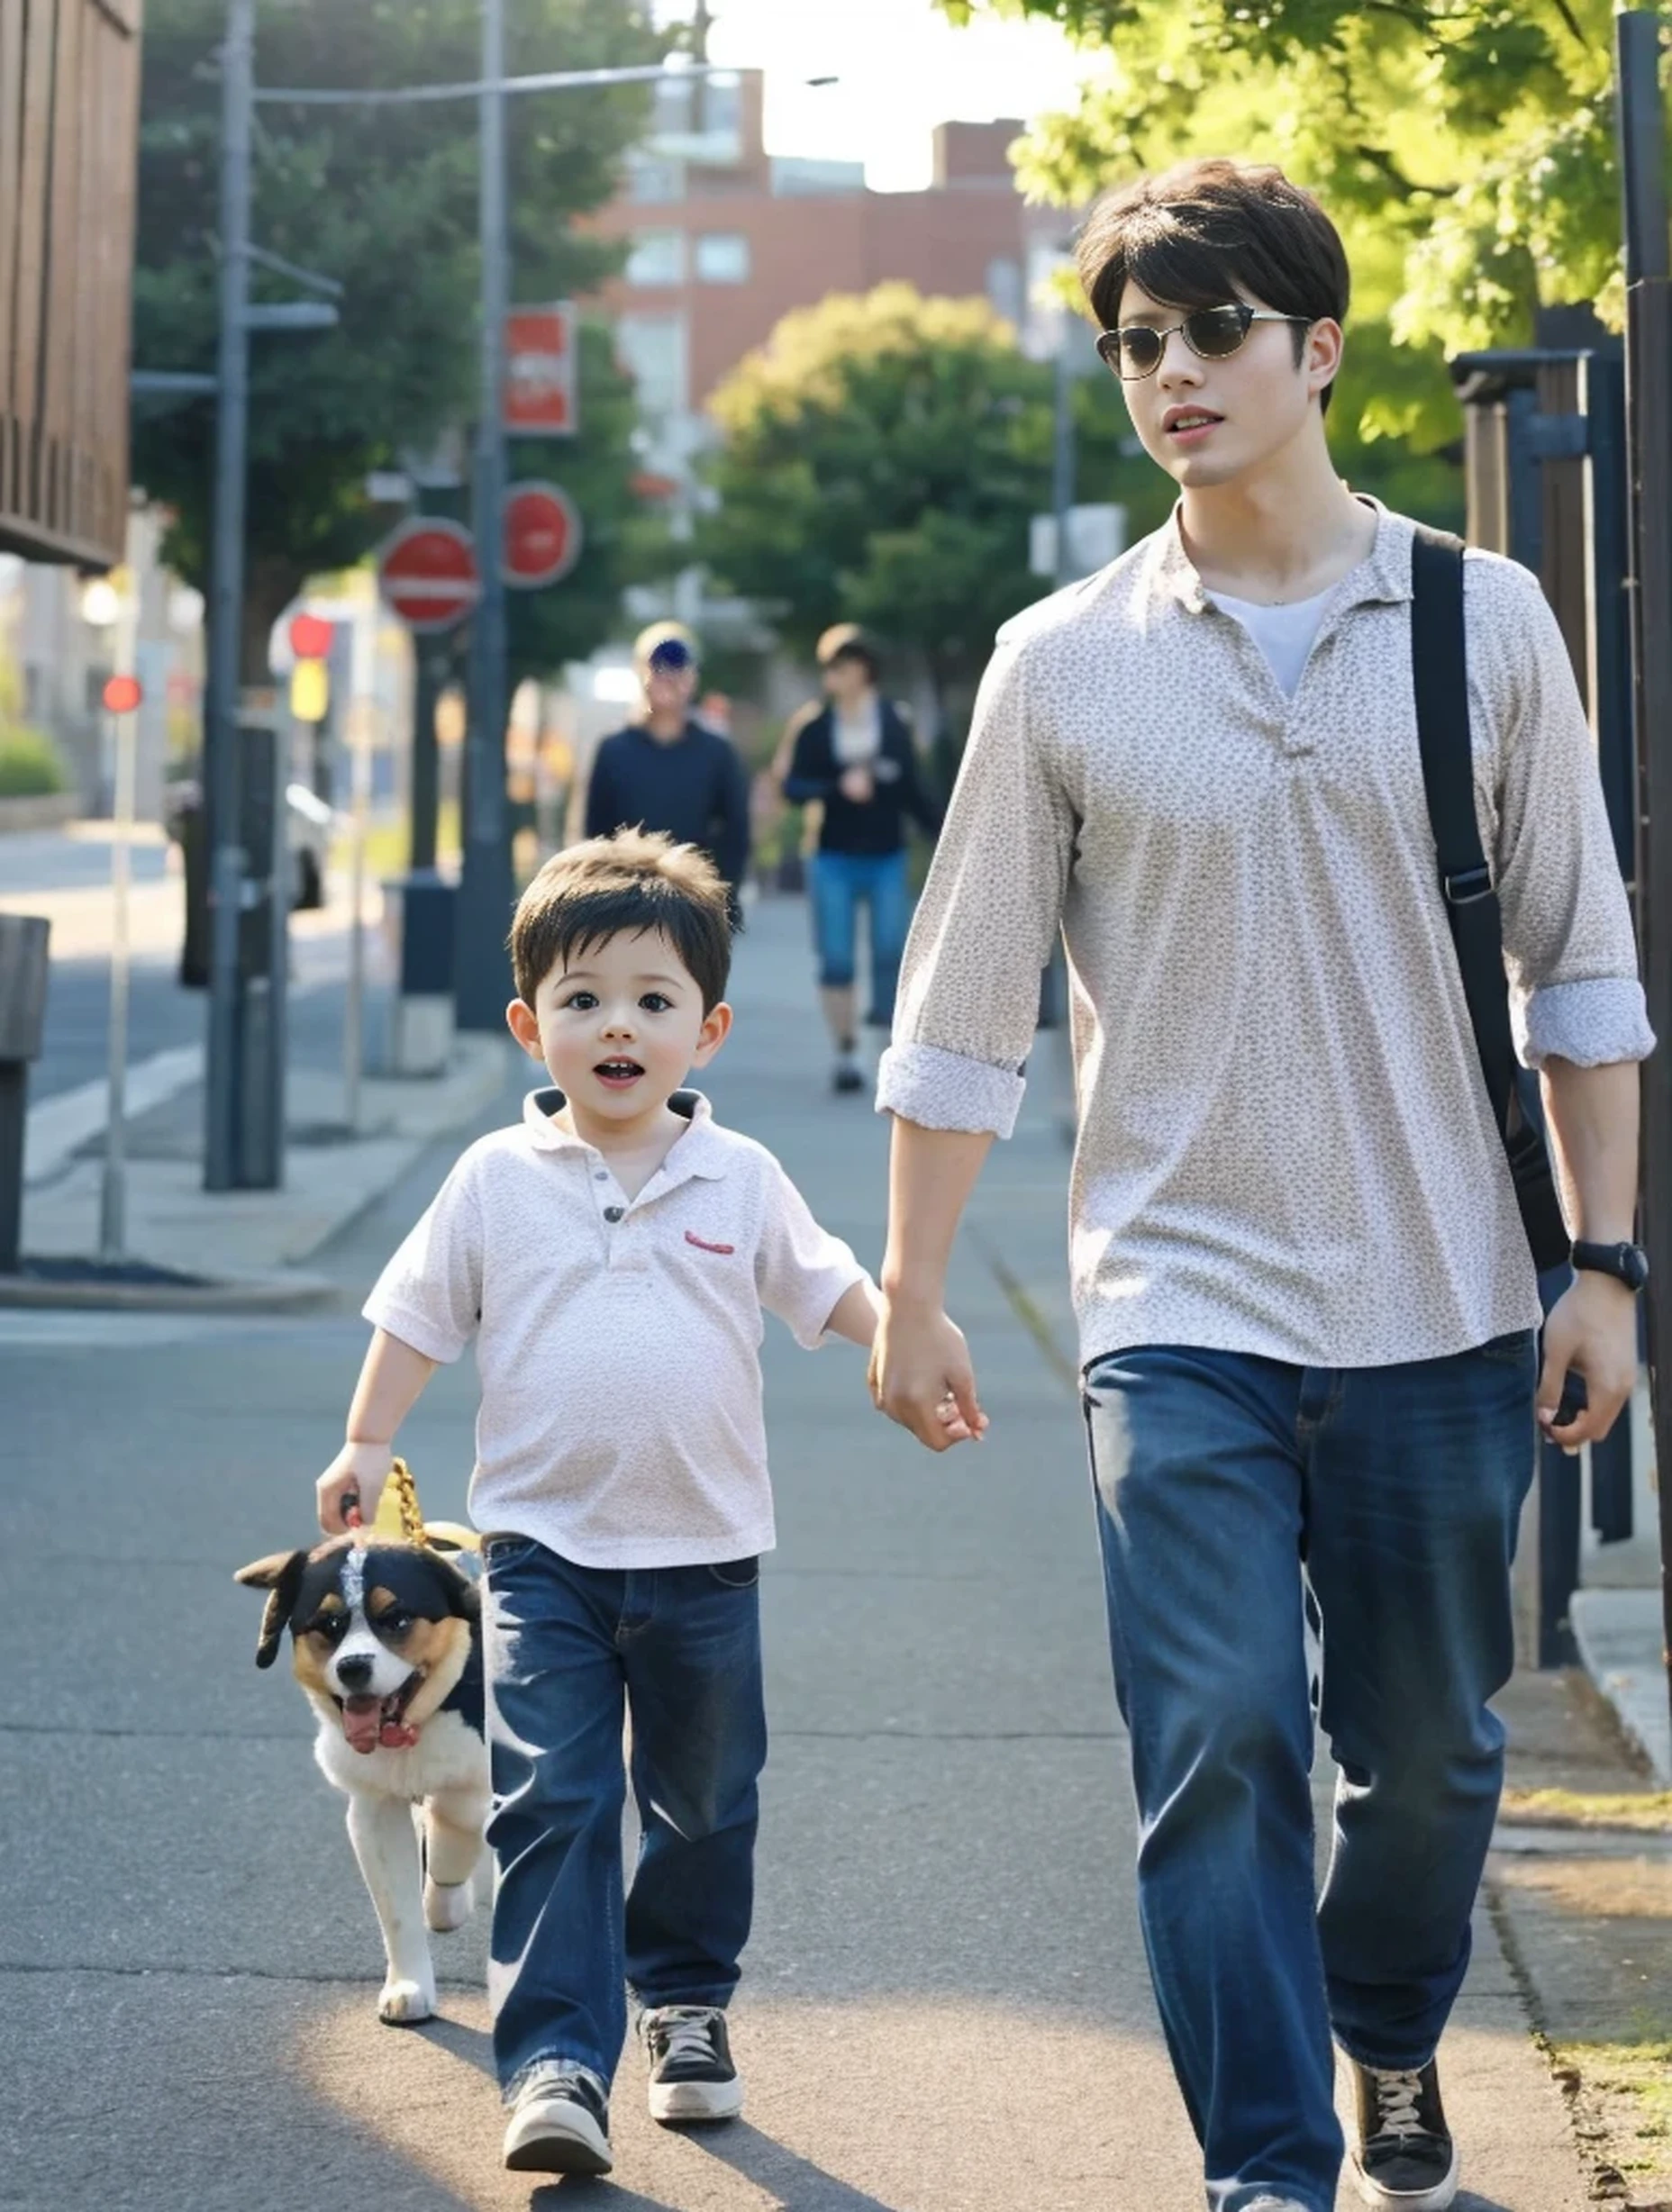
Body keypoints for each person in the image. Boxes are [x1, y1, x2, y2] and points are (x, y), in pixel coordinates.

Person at [869, 158, 1652, 2212]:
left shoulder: (1488, 621)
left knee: (1435, 1763)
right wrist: (911, 1283)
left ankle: (1389, 2025)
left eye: (1214, 332)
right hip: (1179, 1298)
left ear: (1317, 346)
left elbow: (1582, 965)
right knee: (1214, 1733)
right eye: (1140, 341)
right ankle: (1268, 2167)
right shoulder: (1060, 661)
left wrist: (1609, 1263)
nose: (1174, 373)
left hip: (1448, 1289)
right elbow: (964, 1011)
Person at [313, 829, 969, 2180]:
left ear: (708, 1029)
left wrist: (904, 1341)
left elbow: (829, 1289)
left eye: (654, 1001)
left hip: (707, 1557)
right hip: (537, 1556)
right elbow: (417, 1312)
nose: (620, 1026)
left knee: (703, 1804)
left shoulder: (742, 1178)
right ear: (528, 1023)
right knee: (548, 1800)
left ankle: (685, 2010)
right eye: (584, 1000)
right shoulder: (493, 1179)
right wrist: (367, 1438)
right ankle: (555, 2058)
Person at [780, 624, 942, 1094]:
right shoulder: (814, 725)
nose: (832, 675)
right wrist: (836, 788)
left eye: (841, 665)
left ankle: (881, 1049)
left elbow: (913, 785)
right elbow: (792, 786)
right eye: (828, 666)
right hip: (832, 855)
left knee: (890, 951)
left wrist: (947, 836)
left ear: (863, 670)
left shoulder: (894, 720)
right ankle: (845, 1051)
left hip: (886, 853)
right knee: (836, 959)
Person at [583, 621, 751, 902]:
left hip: (695, 901)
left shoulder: (716, 752)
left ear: (694, 677)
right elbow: (596, 835)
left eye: (677, 667)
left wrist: (724, 897)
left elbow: (735, 832)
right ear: (641, 673)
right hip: (626, 901)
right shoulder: (613, 750)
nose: (667, 678)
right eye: (657, 667)